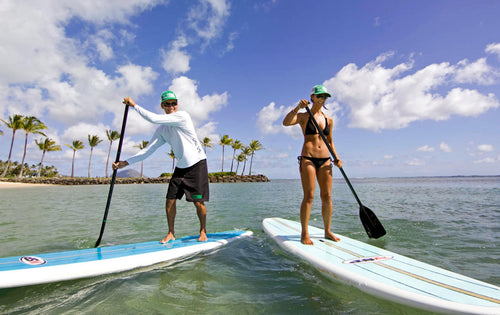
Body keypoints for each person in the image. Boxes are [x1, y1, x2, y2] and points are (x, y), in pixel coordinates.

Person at [113, 91, 209, 243]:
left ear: (177, 104)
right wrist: (126, 162)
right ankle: (171, 233)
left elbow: (153, 118)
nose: (171, 106)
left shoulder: (182, 116)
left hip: (197, 164)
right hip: (181, 166)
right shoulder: (162, 130)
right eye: (167, 104)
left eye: (174, 103)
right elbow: (148, 150)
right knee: (170, 199)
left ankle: (203, 231)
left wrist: (134, 106)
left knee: (198, 202)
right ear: (162, 106)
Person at [282, 85, 343, 245]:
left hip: (325, 160)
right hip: (308, 158)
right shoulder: (303, 116)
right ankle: (305, 233)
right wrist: (297, 108)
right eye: (320, 96)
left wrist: (336, 157)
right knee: (309, 196)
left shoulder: (329, 119)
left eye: (325, 97)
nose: (322, 99)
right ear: (312, 97)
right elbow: (286, 123)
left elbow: (330, 141)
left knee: (327, 196)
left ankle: (328, 231)